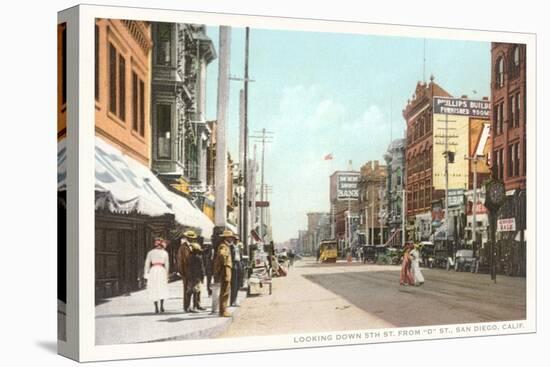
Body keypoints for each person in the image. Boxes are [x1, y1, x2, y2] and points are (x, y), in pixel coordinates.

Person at [144, 237, 170, 314]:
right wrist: (167, 274)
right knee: (161, 287)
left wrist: (146, 273)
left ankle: (156, 307)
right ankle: (161, 305)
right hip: (161, 270)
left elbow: (147, 264)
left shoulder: (151, 252)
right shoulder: (165, 253)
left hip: (153, 270)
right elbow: (167, 264)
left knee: (154, 288)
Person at [213, 229, 234, 317]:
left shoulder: (226, 245)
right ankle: (223, 311)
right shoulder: (223, 246)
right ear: (226, 237)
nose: (232, 239)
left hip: (226, 269)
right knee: (225, 291)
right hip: (225, 270)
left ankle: (224, 310)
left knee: (226, 290)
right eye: (230, 237)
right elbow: (222, 255)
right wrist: (225, 264)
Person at [177, 230, 197, 312]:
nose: (191, 239)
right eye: (190, 238)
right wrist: (182, 272)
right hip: (186, 271)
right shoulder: (183, 247)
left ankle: (192, 306)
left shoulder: (192, 246)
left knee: (193, 289)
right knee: (187, 289)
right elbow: (182, 260)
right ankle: (186, 307)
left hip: (192, 271)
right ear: (187, 238)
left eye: (192, 238)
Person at [187, 243, 207, 312]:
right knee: (196, 291)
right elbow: (201, 268)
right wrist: (203, 276)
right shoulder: (198, 257)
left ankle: (189, 306)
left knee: (190, 291)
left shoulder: (189, 256)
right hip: (197, 276)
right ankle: (195, 306)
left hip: (191, 276)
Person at [230, 239, 243, 307]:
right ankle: (232, 300)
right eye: (235, 240)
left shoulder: (239, 247)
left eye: (237, 240)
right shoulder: (231, 247)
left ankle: (235, 299)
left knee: (238, 283)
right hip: (234, 263)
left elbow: (240, 256)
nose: (237, 241)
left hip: (239, 263)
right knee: (234, 283)